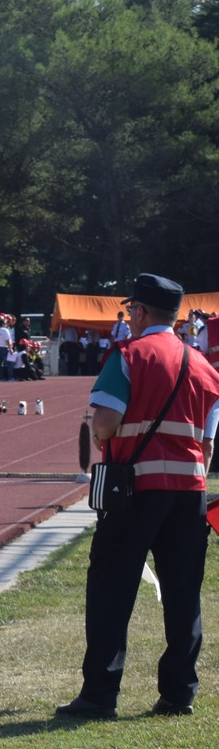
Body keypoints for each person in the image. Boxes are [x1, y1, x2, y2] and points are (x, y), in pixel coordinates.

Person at [57, 274, 219, 721]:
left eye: (131, 311)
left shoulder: (129, 355)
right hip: (189, 493)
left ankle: (99, 696)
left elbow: (106, 423)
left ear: (142, 312)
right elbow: (207, 443)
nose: (128, 318)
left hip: (133, 490)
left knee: (112, 589)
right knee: (183, 592)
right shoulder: (203, 365)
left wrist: (97, 430)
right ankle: (179, 691)